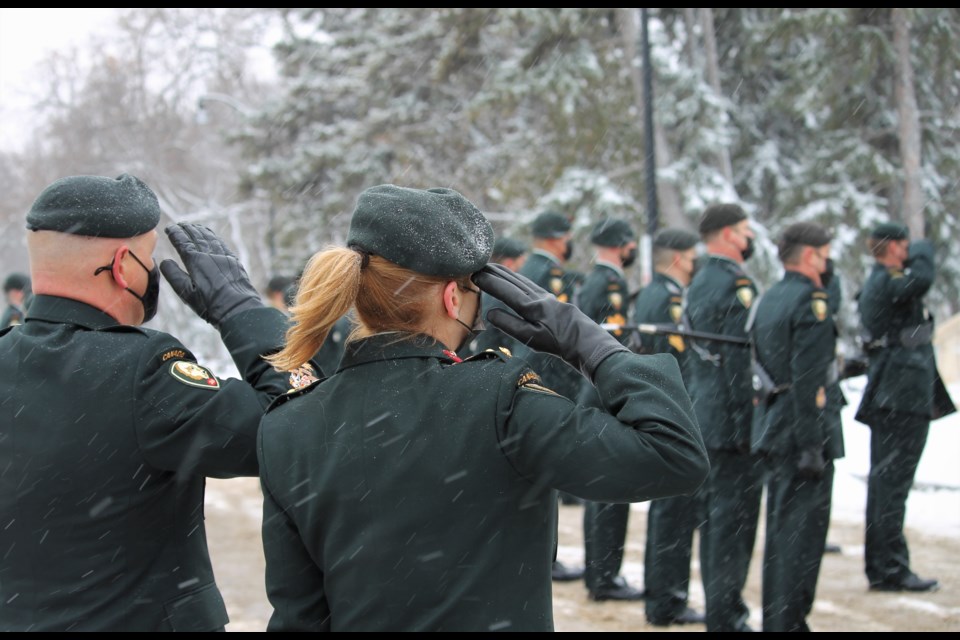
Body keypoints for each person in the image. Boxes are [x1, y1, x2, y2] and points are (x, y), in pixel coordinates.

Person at [255, 184, 710, 631]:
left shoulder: (289, 425)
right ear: (452, 298)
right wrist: (594, 348)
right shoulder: (500, 401)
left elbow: (299, 617)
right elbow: (675, 456)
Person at [0, 173, 307, 632]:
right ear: (123, 265)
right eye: (148, 258)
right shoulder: (140, 369)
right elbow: (298, 427)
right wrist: (244, 313)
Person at [750, 222, 844, 632]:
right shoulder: (811, 301)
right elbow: (809, 381)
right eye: (824, 255)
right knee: (800, 539)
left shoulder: (772, 296)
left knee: (783, 533)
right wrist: (811, 443)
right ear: (810, 256)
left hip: (776, 423)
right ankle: (787, 623)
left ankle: (781, 620)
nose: (828, 263)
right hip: (801, 429)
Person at [854, 221, 955, 593]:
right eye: (905, 245)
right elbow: (923, 279)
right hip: (899, 396)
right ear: (895, 247)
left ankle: (885, 565)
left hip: (896, 393)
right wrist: (924, 250)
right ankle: (888, 568)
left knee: (888, 484)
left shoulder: (885, 279)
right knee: (891, 485)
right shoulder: (886, 280)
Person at [684, 203, 763, 632]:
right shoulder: (735, 283)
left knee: (718, 520)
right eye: (746, 230)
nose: (750, 239)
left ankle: (722, 609)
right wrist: (747, 419)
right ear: (730, 235)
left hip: (708, 412)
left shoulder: (701, 280)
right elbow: (737, 360)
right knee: (733, 522)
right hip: (730, 419)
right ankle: (726, 615)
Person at [633, 228, 706, 626]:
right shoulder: (667, 298)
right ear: (678, 258)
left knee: (671, 512)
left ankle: (664, 596)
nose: (697, 265)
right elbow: (673, 362)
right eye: (693, 257)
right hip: (670, 412)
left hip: (662, 411)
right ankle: (666, 599)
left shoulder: (654, 293)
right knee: (673, 513)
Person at [575, 217, 645, 602]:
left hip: (597, 390)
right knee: (610, 488)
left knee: (604, 488)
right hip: (607, 392)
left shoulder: (597, 280)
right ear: (622, 245)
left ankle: (601, 573)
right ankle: (604, 576)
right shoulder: (611, 282)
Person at [517, 209, 588, 580]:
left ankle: (540, 554)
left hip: (530, 374)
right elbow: (557, 331)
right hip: (549, 376)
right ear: (557, 238)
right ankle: (547, 557)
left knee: (536, 472)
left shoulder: (527, 270)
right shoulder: (549, 274)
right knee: (546, 472)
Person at [463, 235, 529, 358]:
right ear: (509, 264)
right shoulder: (507, 295)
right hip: (501, 366)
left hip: (479, 363)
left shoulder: (476, 289)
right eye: (523, 262)